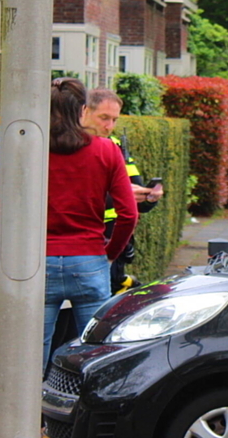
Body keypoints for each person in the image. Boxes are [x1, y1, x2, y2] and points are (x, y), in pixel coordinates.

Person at [44, 78, 138, 370]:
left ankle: (32, 411)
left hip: (39, 262)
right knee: (96, 355)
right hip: (89, 260)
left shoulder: (31, 148)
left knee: (32, 351)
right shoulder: (106, 150)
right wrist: (110, 253)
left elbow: (2, 211)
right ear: (83, 110)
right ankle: (84, 413)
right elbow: (129, 214)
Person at [80, 88, 163, 292]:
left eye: (114, 120)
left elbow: (137, 194)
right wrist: (121, 197)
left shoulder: (116, 146)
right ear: (84, 112)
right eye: (104, 118)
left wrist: (149, 197)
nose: (109, 126)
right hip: (82, 242)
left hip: (113, 241)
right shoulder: (68, 146)